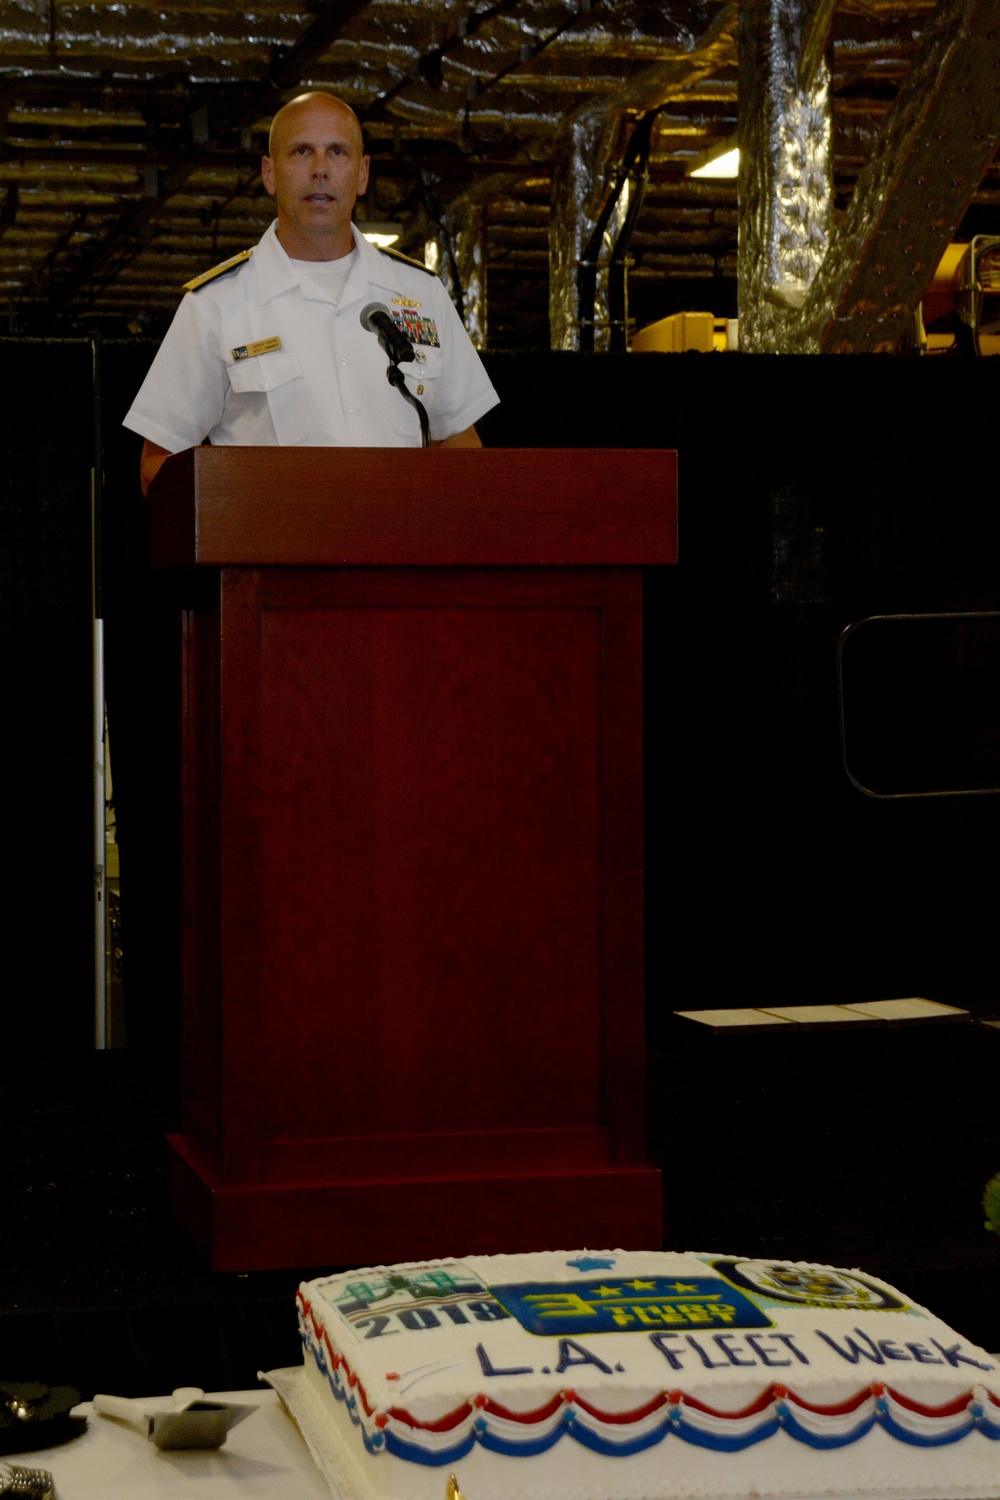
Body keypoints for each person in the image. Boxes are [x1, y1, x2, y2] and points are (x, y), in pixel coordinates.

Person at [123, 92, 499, 494]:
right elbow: (157, 465)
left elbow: (459, 442)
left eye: (338, 152)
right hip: (271, 550)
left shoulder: (421, 294)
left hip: (399, 549)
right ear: (269, 173)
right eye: (302, 151)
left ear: (363, 173)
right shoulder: (216, 305)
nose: (320, 169)